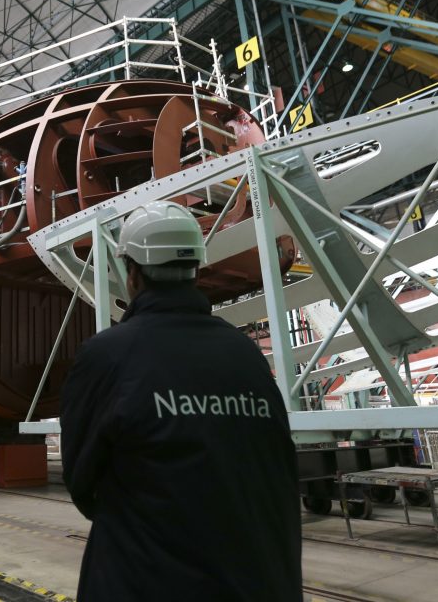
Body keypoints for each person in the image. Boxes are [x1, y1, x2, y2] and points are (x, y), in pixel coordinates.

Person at [60, 201, 301, 601]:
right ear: (197, 269)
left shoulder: (107, 356)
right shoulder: (244, 352)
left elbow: (83, 483)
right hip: (260, 581)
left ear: (132, 273)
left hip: (145, 582)